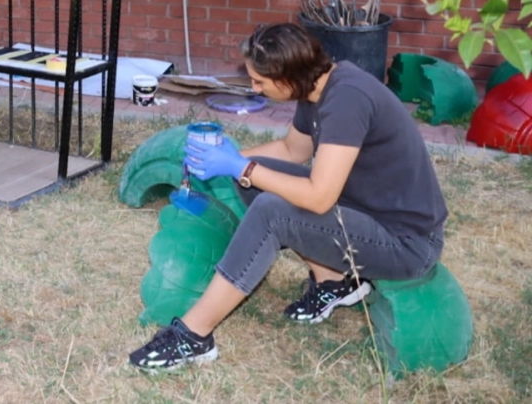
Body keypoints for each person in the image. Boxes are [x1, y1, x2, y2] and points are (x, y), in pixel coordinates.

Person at [129, 22, 448, 370]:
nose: (254, 88)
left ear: (288, 77)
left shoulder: (347, 99)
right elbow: (292, 150)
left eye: (260, 81)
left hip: (406, 243)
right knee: (254, 178)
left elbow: (319, 198)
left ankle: (193, 337)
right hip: (365, 212)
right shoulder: (318, 85)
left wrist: (241, 167)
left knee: (271, 210)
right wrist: (228, 160)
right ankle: (334, 283)